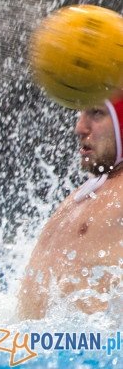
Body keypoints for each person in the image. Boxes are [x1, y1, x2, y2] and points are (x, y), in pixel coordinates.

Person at [18, 98, 123, 320]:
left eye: (96, 113)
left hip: (89, 350)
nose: (79, 127)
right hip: (34, 345)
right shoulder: (84, 194)